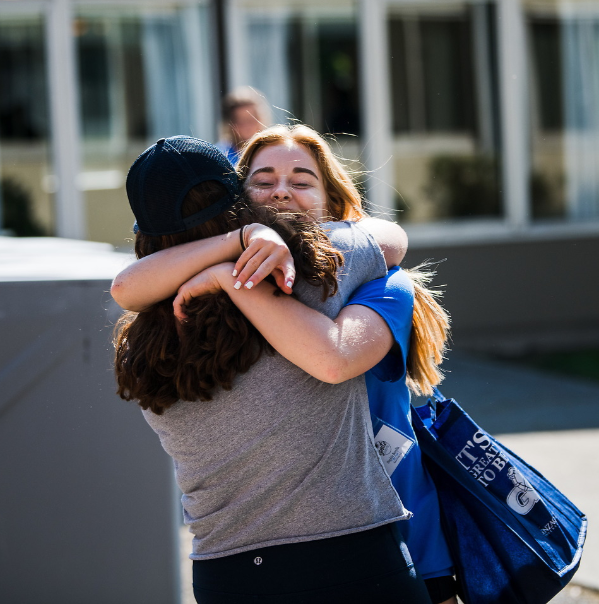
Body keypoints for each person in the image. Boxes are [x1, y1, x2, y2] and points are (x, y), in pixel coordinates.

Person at [111, 126, 456, 603]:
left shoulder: (144, 337)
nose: (282, 194)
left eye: (301, 180)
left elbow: (123, 287)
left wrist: (228, 259)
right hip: (352, 555)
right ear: (239, 197)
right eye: (265, 180)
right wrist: (244, 250)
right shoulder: (316, 270)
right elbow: (391, 238)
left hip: (225, 572)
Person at [216, 86, 271, 165]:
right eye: (241, 121)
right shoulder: (220, 156)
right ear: (230, 125)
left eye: (252, 119)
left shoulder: (272, 150)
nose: (248, 126)